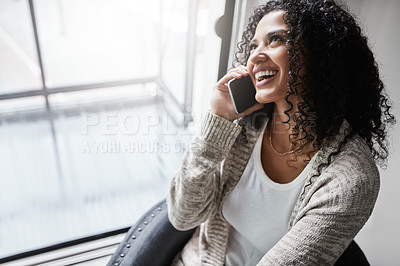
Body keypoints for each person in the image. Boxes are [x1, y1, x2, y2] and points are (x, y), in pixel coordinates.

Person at [167, 0, 395, 265]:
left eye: (275, 39)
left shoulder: (351, 179)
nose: (255, 56)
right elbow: (183, 215)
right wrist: (218, 119)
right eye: (254, 46)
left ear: (321, 53)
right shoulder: (244, 127)